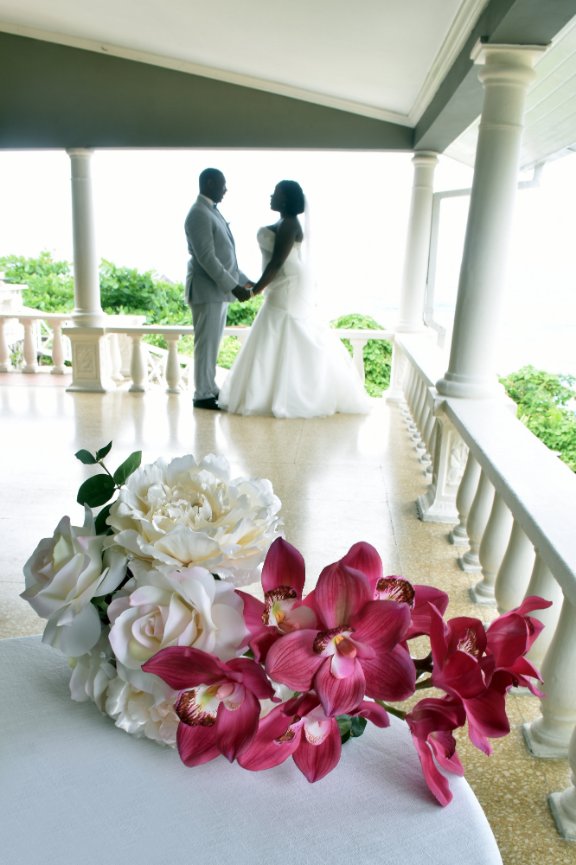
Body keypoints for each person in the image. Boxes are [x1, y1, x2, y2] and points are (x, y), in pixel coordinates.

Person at [218, 180, 371, 418]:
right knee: (274, 329)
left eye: (276, 193)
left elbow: (277, 262)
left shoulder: (289, 224)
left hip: (289, 283)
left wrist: (254, 291)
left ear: (286, 199)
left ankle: (294, 394)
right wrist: (257, 283)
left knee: (285, 326)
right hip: (282, 281)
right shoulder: (283, 222)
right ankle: (268, 392)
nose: (271, 196)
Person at [185, 168, 253, 410]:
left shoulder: (211, 211)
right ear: (209, 182)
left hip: (217, 291)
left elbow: (226, 258)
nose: (226, 189)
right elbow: (207, 258)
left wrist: (245, 280)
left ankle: (209, 386)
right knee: (205, 344)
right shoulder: (198, 213)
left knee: (212, 343)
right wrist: (234, 287)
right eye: (223, 185)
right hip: (206, 291)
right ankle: (202, 394)